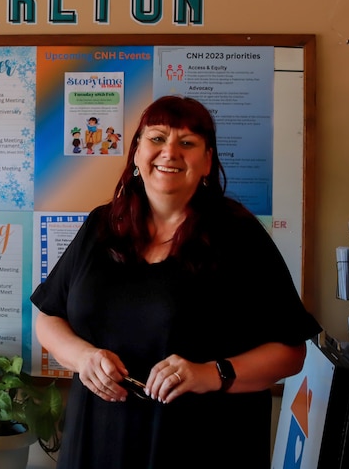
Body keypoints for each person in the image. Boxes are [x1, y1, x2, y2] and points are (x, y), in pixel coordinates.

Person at [31, 96, 321, 468]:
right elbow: (49, 317)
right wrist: (83, 357)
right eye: (156, 138)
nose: (169, 152)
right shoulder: (101, 227)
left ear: (207, 162)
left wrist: (210, 374)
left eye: (187, 143)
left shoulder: (239, 237)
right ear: (136, 152)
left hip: (202, 444)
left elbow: (290, 352)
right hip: (98, 441)